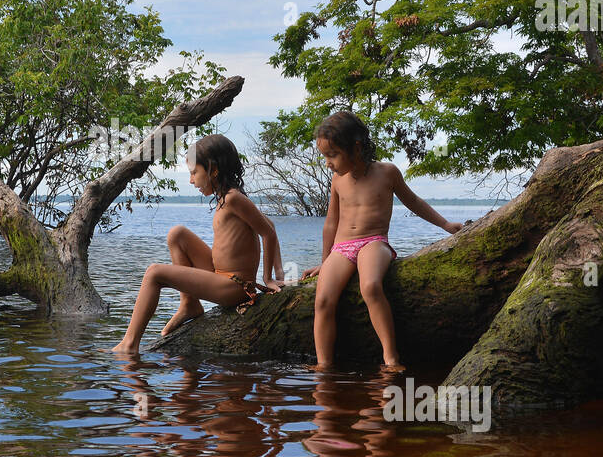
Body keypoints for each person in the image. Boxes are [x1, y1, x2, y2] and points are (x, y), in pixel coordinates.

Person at [302, 111, 463, 372]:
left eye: (332, 155)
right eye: (324, 157)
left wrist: (445, 224)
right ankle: (324, 364)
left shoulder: (387, 173)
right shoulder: (337, 180)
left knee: (371, 286)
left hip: (373, 242)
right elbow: (331, 223)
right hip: (341, 248)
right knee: (322, 299)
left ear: (355, 147)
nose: (328, 163)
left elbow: (414, 202)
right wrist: (325, 262)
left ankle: (390, 358)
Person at [111, 134, 283, 354]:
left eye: (194, 173)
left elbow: (267, 233)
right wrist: (278, 273)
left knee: (154, 273)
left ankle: (129, 344)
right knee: (177, 234)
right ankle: (189, 304)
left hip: (234, 285)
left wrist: (270, 278)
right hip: (220, 275)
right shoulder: (225, 198)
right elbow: (271, 227)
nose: (191, 180)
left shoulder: (233, 198)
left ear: (213, 170)